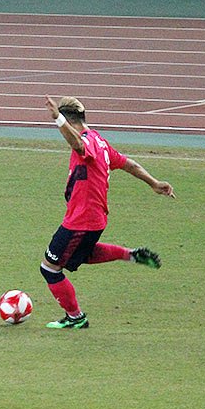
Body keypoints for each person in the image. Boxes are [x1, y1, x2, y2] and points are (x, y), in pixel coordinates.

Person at [39, 96, 176, 329]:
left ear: (70, 121)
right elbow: (128, 164)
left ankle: (75, 317)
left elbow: (78, 145)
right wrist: (153, 182)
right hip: (94, 219)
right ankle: (130, 255)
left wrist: (57, 119)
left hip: (81, 220)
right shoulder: (100, 142)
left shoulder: (86, 142)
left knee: (50, 268)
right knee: (81, 254)